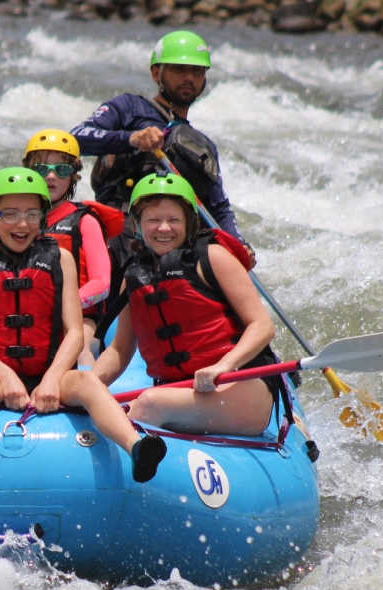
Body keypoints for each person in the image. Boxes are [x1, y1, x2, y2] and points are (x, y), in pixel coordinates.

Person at [0, 167, 167, 483]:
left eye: (32, 214)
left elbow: (75, 332)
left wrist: (52, 378)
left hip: (51, 375)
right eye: (10, 214)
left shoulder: (61, 258)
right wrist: (4, 377)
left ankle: (137, 447)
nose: (22, 224)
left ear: (43, 217)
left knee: (89, 384)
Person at [93, 173, 278, 435]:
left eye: (174, 220)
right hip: (180, 393)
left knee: (149, 403)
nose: (164, 228)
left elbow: (262, 326)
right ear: (138, 224)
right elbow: (120, 349)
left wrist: (223, 365)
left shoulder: (213, 257)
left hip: (238, 385)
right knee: (121, 408)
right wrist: (89, 386)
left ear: (189, 222)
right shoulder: (134, 276)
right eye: (153, 220)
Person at [68, 30, 242, 242]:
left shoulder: (203, 145)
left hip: (171, 243)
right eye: (179, 69)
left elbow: (220, 208)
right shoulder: (128, 108)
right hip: (118, 232)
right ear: (156, 73)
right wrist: (132, 139)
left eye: (197, 71)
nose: (189, 78)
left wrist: (239, 245)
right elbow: (75, 139)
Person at [20, 128, 124, 367]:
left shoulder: (85, 221)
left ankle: (86, 383)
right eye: (41, 169)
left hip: (79, 317)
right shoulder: (16, 221)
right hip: (29, 315)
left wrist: (62, 306)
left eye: (62, 169)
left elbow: (102, 283)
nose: (51, 176)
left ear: (73, 176)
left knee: (79, 347)